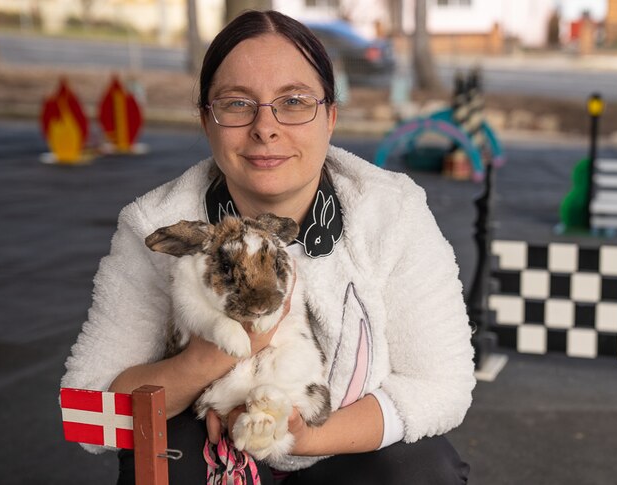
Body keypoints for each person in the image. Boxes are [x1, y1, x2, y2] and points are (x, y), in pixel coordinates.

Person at [61, 9, 475, 484]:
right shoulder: (154, 225)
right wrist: (210, 357)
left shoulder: (392, 212)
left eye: (294, 101)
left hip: (341, 437)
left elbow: (442, 387)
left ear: (331, 116)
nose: (265, 127)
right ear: (206, 119)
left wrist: (300, 434)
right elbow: (90, 413)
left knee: (422, 470)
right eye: (237, 104)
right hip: (211, 442)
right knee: (168, 457)